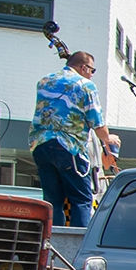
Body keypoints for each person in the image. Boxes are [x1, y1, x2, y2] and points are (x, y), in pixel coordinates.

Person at [29, 50, 112, 227]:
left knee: (53, 202)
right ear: (84, 67)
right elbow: (97, 123)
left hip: (40, 144)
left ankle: (53, 246)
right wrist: (108, 138)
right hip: (68, 146)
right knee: (81, 200)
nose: (91, 75)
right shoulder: (86, 85)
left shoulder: (44, 81)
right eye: (92, 70)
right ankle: (77, 249)